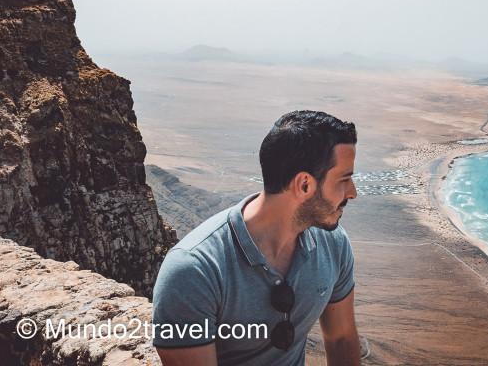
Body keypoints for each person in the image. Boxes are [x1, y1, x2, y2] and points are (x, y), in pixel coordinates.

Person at [152, 110, 360, 366]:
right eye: (344, 179)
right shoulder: (193, 272)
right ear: (304, 184)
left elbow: (341, 339)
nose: (352, 192)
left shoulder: (333, 244)